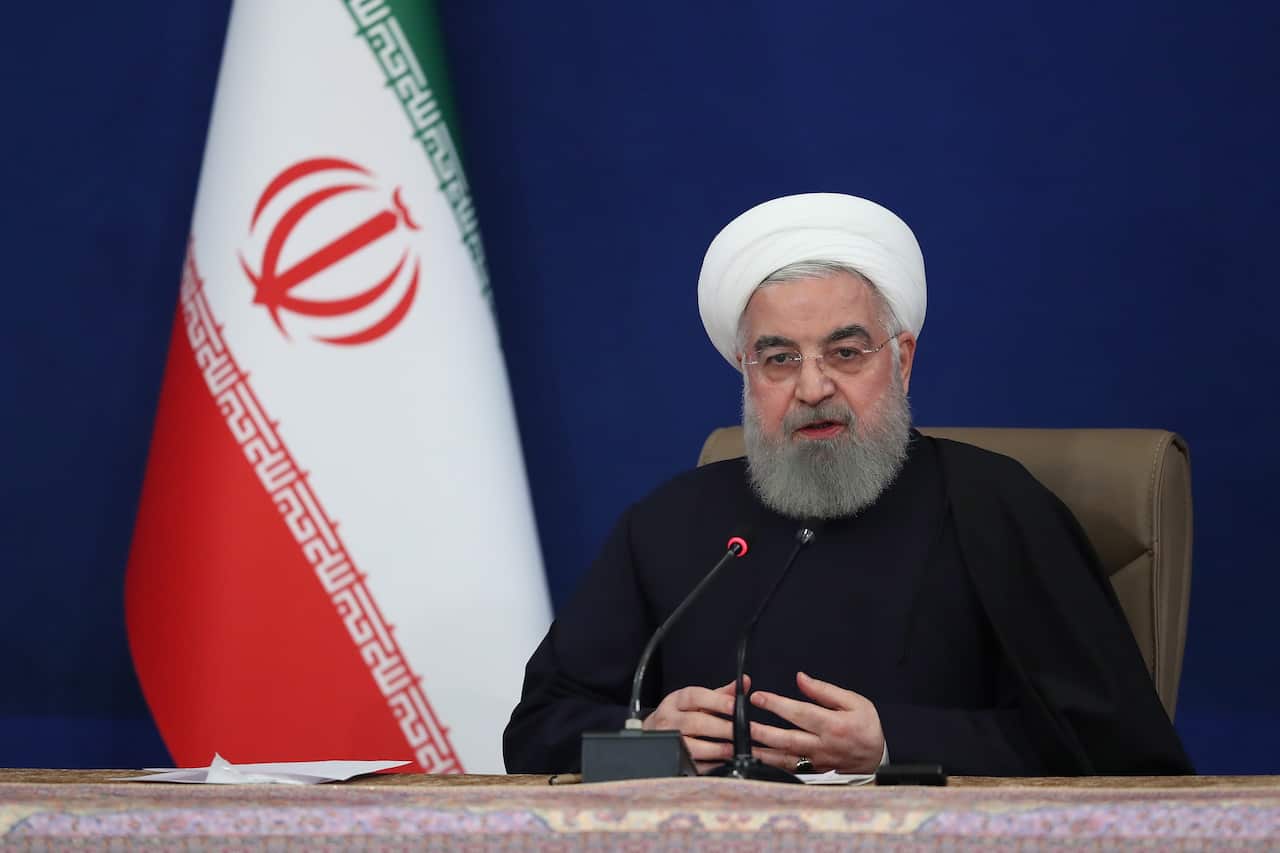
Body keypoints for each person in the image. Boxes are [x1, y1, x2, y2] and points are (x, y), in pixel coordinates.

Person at [503, 193, 1192, 776]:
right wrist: (653, 748)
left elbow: (1125, 752)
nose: (812, 387)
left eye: (845, 352)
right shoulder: (670, 526)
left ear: (902, 359)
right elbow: (533, 741)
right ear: (747, 373)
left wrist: (893, 745)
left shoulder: (996, 507)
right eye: (779, 359)